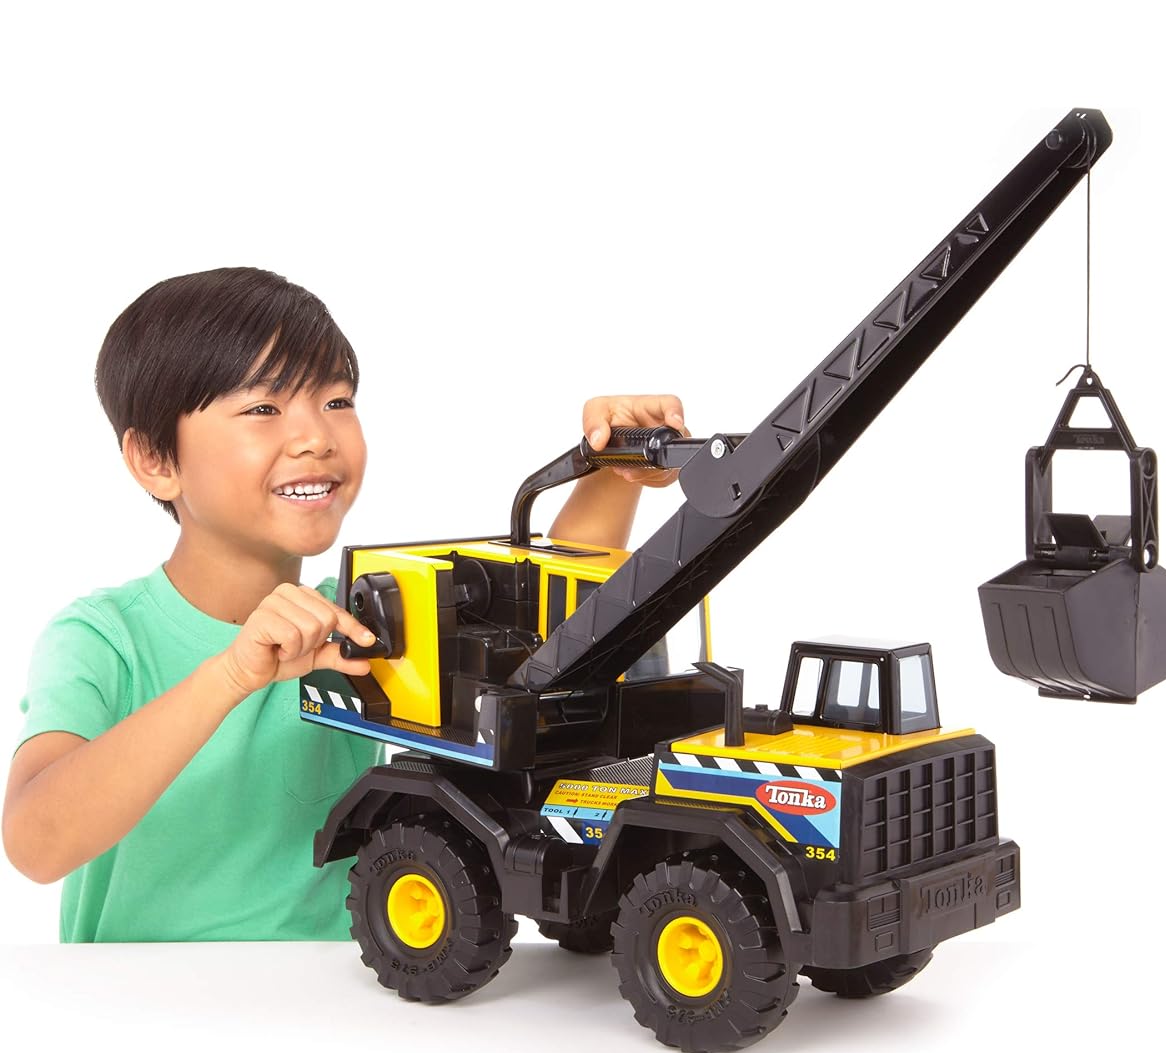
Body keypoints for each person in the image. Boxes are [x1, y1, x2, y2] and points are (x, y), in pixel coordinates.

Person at [2, 266, 686, 942]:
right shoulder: (103, 638)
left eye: (336, 400)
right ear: (156, 459)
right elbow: (36, 844)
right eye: (263, 409)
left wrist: (612, 473)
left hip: (337, 998)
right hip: (142, 1000)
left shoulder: (363, 622)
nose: (316, 436)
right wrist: (231, 674)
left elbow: (559, 634)